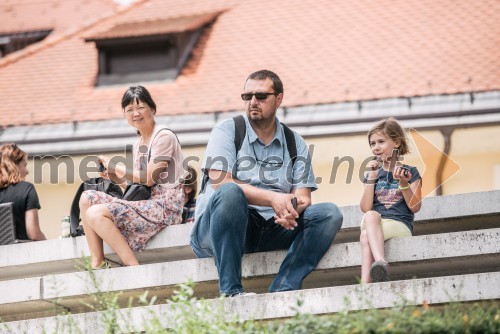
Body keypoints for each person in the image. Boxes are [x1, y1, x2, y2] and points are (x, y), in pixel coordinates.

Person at [190, 70, 343, 297]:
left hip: (272, 227)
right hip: (219, 229)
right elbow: (220, 182)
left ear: (279, 99)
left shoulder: (294, 142)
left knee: (329, 214)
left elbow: (304, 197)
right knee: (231, 192)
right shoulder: (227, 130)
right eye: (247, 96)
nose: (253, 102)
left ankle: (283, 288)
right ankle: (231, 292)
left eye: (261, 96)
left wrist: (291, 209)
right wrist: (274, 199)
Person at [79, 86, 185, 269]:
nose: (135, 113)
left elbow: (149, 178)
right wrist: (114, 177)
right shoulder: (138, 144)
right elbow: (138, 188)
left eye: (140, 107)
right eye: (129, 110)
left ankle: (133, 266)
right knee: (86, 199)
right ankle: (98, 262)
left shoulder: (163, 136)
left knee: (95, 213)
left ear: (152, 108)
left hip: (165, 208)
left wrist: (116, 166)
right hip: (146, 204)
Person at [359, 117, 423, 283]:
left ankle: (365, 286)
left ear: (396, 142)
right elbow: (365, 208)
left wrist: (403, 184)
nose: (376, 147)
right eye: (372, 143)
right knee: (371, 216)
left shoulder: (410, 172)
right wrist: (371, 178)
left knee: (365, 236)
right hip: (374, 223)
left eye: (381, 141)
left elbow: (415, 207)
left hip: (399, 224)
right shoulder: (372, 173)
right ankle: (381, 262)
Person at [0, 143, 46, 241]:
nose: (27, 171)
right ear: (13, 166)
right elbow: (33, 233)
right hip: (21, 254)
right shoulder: (26, 189)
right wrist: (48, 245)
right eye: (24, 165)